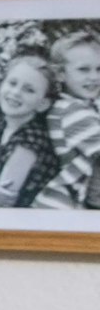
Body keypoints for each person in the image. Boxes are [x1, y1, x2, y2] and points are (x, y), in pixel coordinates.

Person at [0, 54, 58, 209]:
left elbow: (3, 198)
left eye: (29, 90)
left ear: (43, 104)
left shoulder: (32, 138)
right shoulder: (1, 125)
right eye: (12, 83)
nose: (16, 92)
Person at [35, 31, 100, 209]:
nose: (94, 77)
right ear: (60, 74)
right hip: (63, 205)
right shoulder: (72, 111)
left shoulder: (82, 106)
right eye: (83, 69)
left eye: (99, 69)